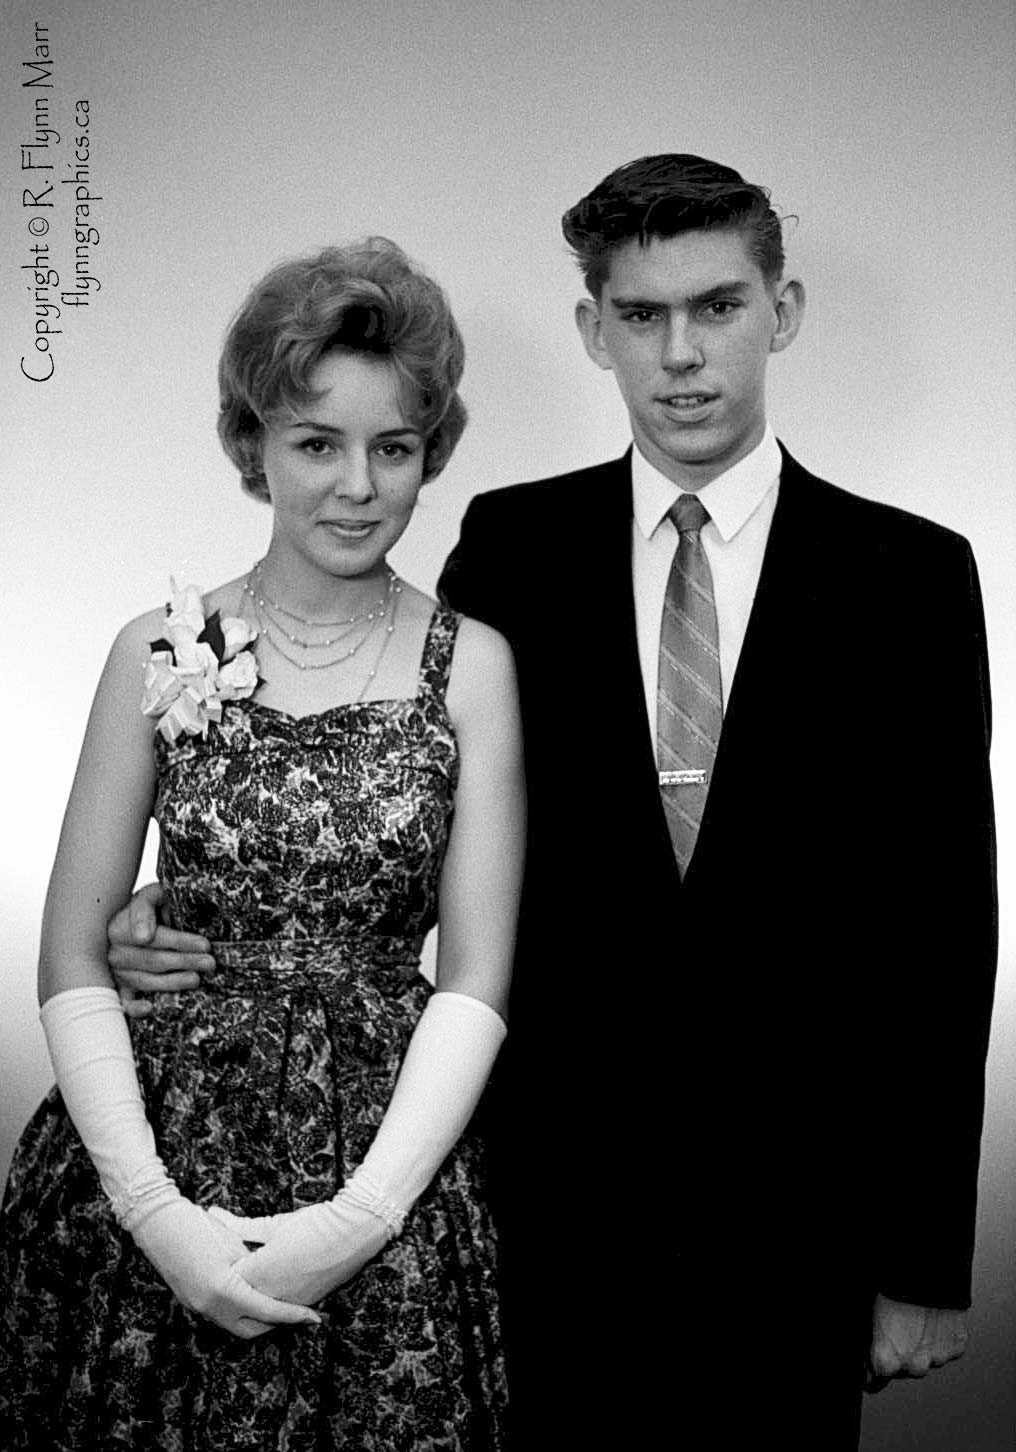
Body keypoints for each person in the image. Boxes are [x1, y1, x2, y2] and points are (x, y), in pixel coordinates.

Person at [105, 156, 997, 1449]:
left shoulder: (909, 575)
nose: (680, 353)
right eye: (640, 314)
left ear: (782, 311)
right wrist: (197, 907)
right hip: (542, 1211)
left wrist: (922, 1255)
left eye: (717, 306)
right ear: (593, 328)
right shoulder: (513, 548)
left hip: (799, 1223)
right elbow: (413, 820)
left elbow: (944, 930)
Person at [0, 238, 523, 1451]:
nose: (358, 486)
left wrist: (358, 1220)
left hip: (386, 1165)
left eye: (393, 448)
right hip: (150, 1160)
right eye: (317, 444)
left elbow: (476, 979)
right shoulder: (155, 649)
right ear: (254, 444)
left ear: (431, 453)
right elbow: (72, 953)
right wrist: (153, 1214)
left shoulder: (473, 667)